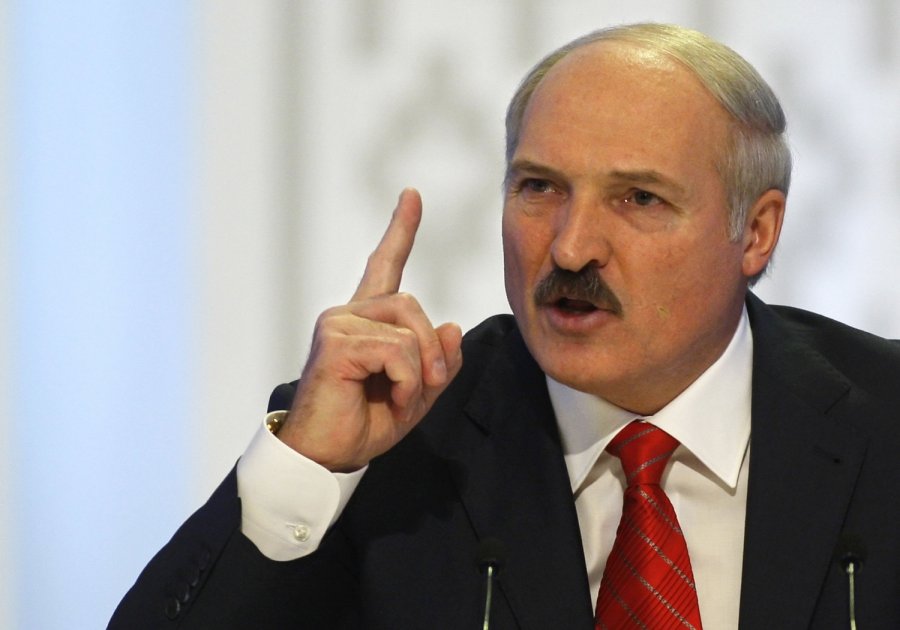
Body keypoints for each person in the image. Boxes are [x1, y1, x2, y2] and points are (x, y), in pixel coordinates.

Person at [110, 23, 900, 629]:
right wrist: (307, 467)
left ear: (756, 232)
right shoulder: (392, 442)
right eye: (539, 187)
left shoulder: (884, 423)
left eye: (639, 199)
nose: (571, 246)